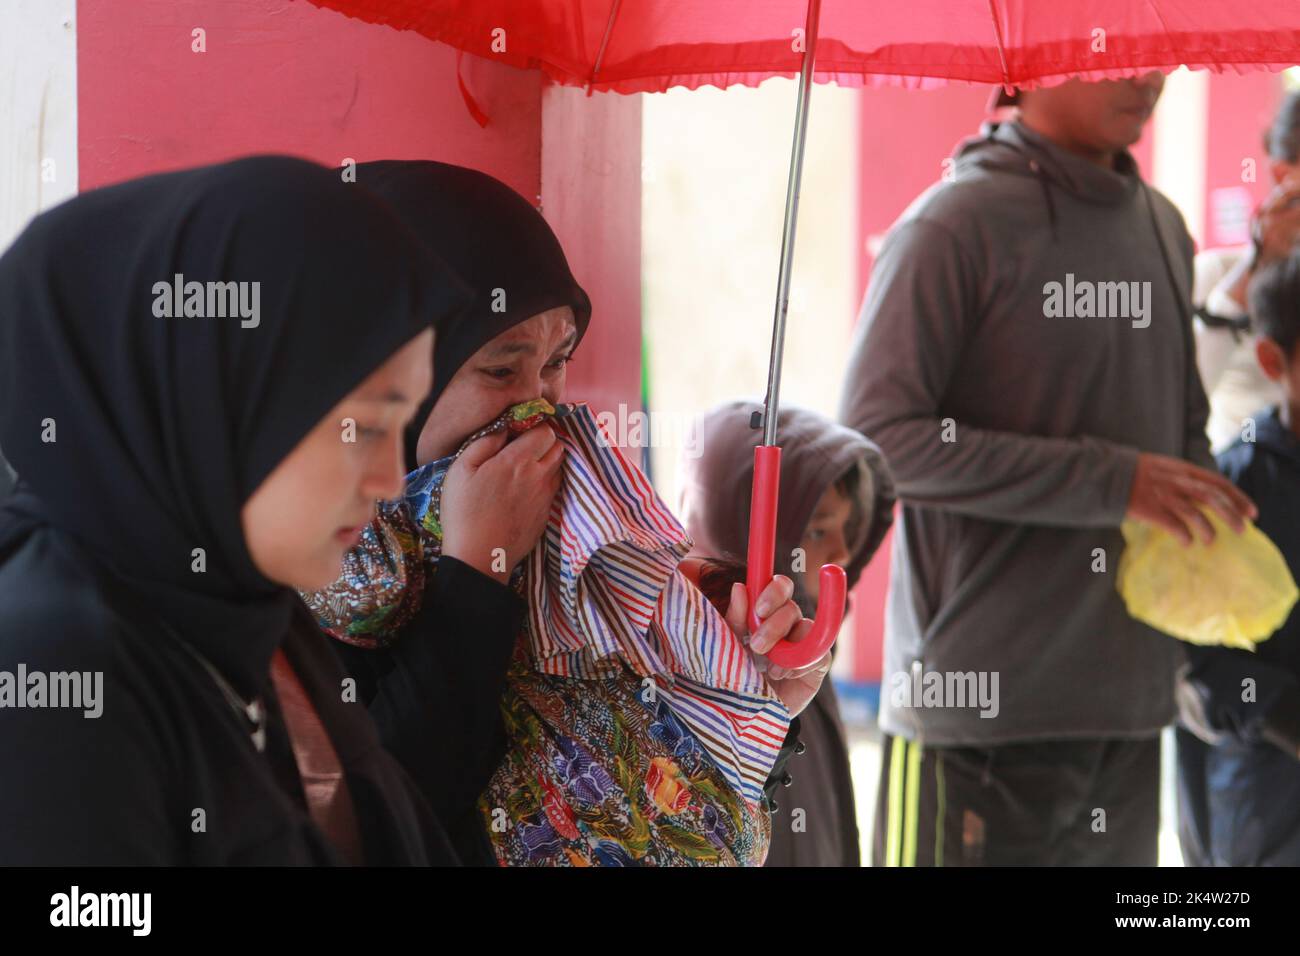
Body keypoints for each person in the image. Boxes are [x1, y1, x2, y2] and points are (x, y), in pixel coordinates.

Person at [302, 160, 828, 865]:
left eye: (556, 363)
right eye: (499, 369)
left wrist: (730, 683)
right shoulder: (308, 569)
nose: (537, 406)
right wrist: (475, 569)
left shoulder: (570, 542)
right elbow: (385, 816)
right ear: (385, 376)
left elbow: (641, 780)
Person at [0, 155, 469, 865]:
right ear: (208, 399)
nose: (390, 480)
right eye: (362, 427)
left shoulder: (248, 614)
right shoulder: (56, 661)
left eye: (402, 426)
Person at [839, 75, 1256, 866]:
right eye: (1108, 39)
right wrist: (1113, 481)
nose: (1143, 73)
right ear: (1029, 59)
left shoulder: (1163, 225)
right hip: (972, 722)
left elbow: (1182, 436)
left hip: (1129, 716)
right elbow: (880, 437)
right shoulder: (949, 225)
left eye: (1149, 45)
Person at [678, 400, 896, 866]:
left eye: (846, 527)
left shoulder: (807, 649)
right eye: (817, 532)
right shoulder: (686, 665)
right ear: (742, 531)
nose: (842, 550)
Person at [1177, 253, 1300, 865]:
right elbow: (1196, 662)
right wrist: (1281, 710)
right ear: (1274, 362)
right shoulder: (1231, 494)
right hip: (1260, 805)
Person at [1193, 91, 1300, 451]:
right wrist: (1255, 263)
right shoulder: (1217, 276)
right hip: (1245, 492)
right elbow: (1181, 397)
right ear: (1284, 176)